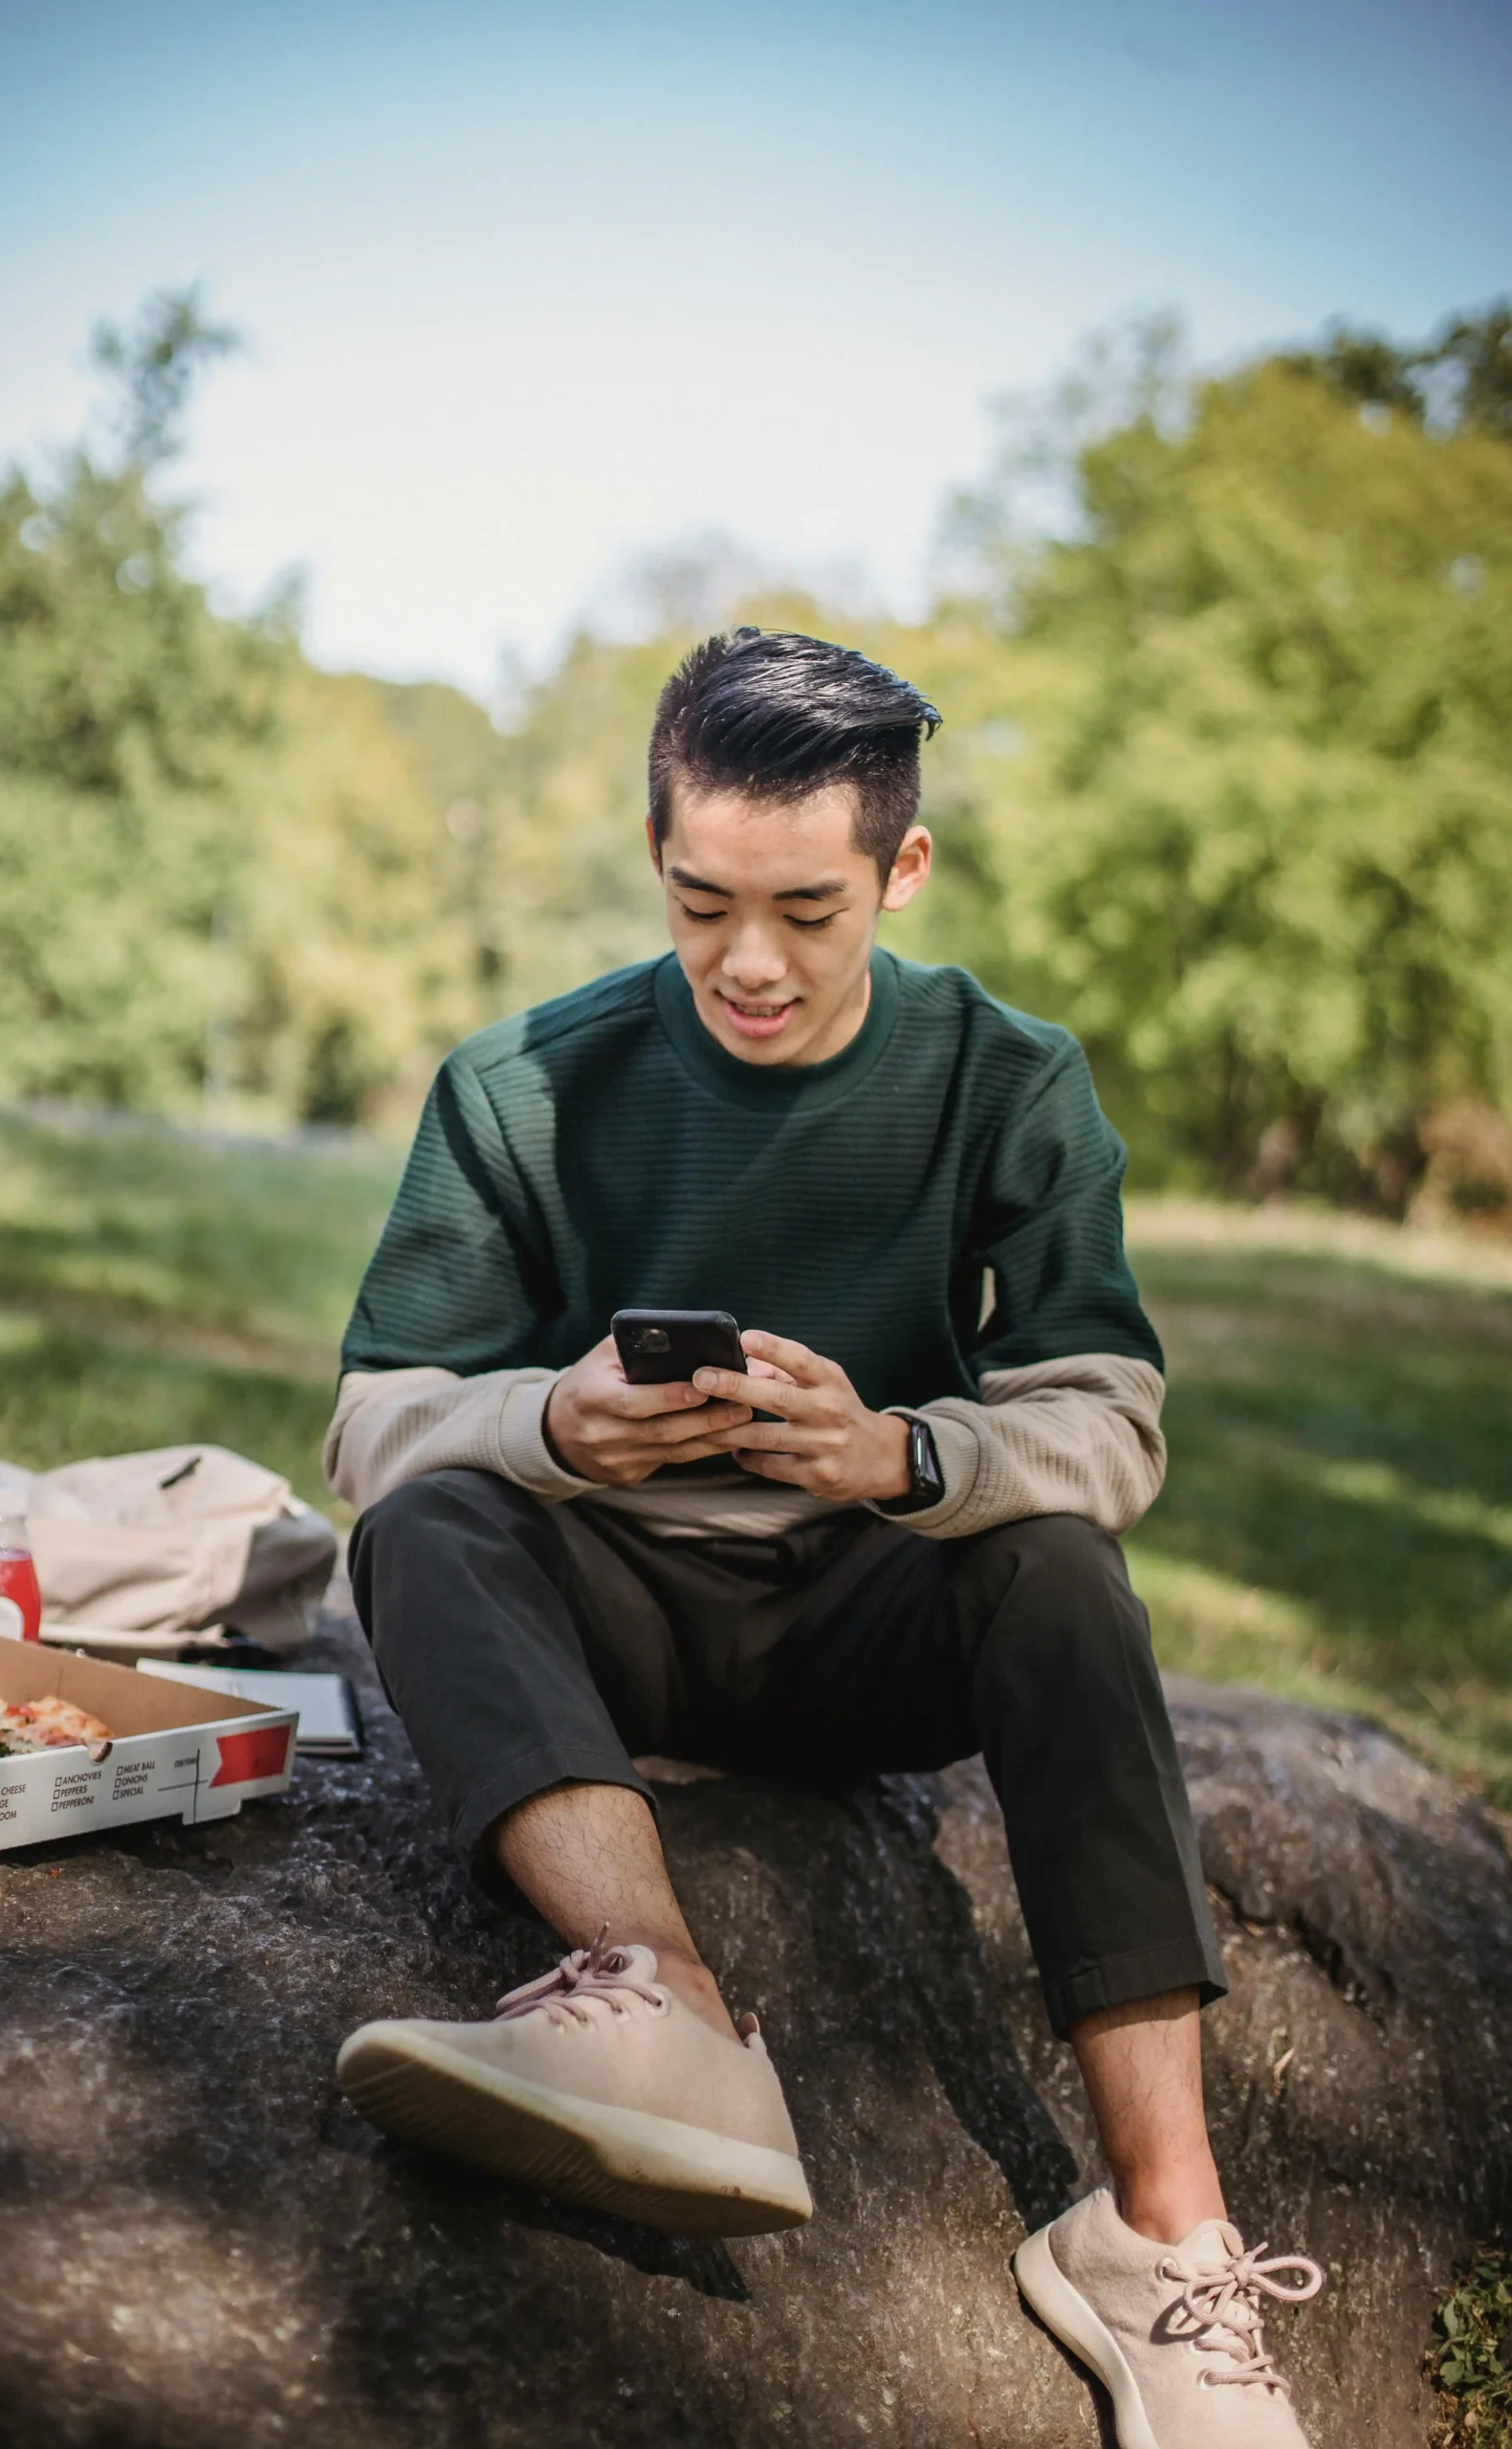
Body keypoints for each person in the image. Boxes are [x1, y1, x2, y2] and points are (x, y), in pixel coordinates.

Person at [327, 629, 1324, 2446]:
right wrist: (550, 1417)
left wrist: (900, 1457)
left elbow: (1107, 1423)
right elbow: (375, 1420)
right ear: (655, 857)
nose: (750, 962)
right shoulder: (521, 1085)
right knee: (430, 1521)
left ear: (903, 869)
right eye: (702, 903)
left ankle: (1158, 2237)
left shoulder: (1008, 1080)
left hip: (876, 1623)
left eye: (806, 907)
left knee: (1062, 1572)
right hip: (610, 1610)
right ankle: (664, 2016)